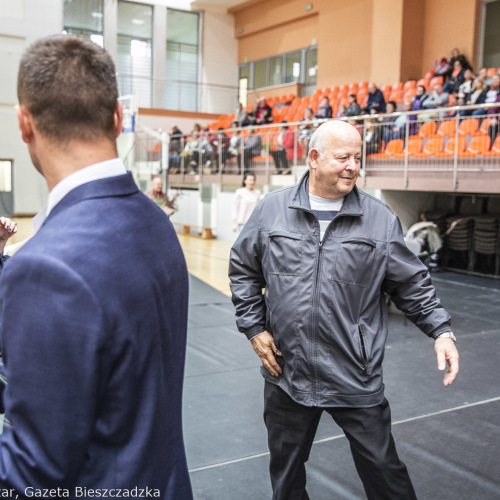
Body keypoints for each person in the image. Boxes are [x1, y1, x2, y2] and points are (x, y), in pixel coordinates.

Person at [1, 35, 193, 498]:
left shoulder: (45, 269)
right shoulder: (155, 219)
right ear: (118, 117)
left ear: (24, 123)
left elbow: (31, 475)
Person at [229, 120, 459, 500]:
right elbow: (243, 270)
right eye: (343, 157)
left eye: (358, 157)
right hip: (288, 372)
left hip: (355, 371)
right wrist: (254, 328)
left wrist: (441, 331)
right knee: (286, 478)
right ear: (314, 158)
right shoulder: (271, 210)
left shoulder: (380, 219)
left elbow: (410, 283)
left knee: (386, 475)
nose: (353, 165)